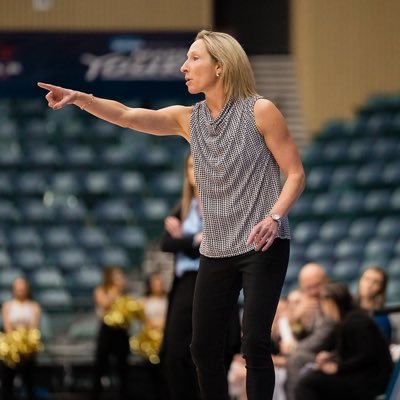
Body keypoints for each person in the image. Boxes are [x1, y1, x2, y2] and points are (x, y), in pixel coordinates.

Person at [38, 29, 305, 400]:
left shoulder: (261, 111)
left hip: (262, 244)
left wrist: (274, 217)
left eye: (194, 59)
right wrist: (81, 98)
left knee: (254, 342)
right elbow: (129, 116)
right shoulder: (187, 119)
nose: (184, 67)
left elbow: (295, 174)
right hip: (215, 251)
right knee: (201, 349)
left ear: (221, 66)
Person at [160, 153, 241, 399]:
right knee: (174, 353)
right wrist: (194, 240)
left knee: (213, 350)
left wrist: (185, 240)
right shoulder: (183, 207)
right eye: (190, 166)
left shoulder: (223, 202)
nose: (194, 170)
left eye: (200, 164)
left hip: (216, 281)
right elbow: (166, 244)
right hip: (186, 283)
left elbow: (219, 242)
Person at [295, 282, 393, 400]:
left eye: (324, 303)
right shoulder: (345, 321)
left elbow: (366, 356)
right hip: (362, 376)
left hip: (371, 381)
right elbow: (349, 351)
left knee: (307, 383)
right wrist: (330, 356)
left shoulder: (355, 321)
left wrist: (338, 367)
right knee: (311, 378)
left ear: (332, 303)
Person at [284, 263, 335, 400]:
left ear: (326, 281)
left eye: (317, 286)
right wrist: (297, 319)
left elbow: (323, 338)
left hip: (332, 353)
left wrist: (294, 348)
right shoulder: (307, 303)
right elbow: (299, 334)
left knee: (296, 358)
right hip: (313, 353)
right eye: (308, 288)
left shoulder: (331, 301)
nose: (313, 291)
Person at [91, 267, 130, 400]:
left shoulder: (125, 294)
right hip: (107, 331)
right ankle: (96, 393)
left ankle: (123, 393)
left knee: (122, 367)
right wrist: (115, 290)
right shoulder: (101, 290)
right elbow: (105, 303)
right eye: (117, 276)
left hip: (121, 332)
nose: (121, 279)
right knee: (100, 365)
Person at [1, 278, 41, 400]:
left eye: (23, 289)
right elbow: (7, 326)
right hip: (11, 350)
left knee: (29, 383)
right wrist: (15, 343)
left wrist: (26, 344)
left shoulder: (34, 306)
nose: (20, 291)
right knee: (7, 382)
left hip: (28, 350)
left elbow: (34, 327)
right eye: (18, 289)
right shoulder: (7, 306)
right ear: (13, 290)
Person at [356, 266, 392, 341]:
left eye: (376, 282)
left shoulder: (381, 317)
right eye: (366, 279)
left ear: (381, 288)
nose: (369, 285)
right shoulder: (347, 309)